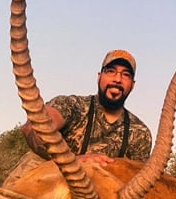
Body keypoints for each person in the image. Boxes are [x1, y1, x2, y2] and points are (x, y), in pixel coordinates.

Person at [21, 49, 152, 166]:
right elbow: (32, 126)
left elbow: (136, 177)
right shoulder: (72, 105)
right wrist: (72, 161)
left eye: (126, 74)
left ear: (132, 85)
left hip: (105, 190)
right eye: (111, 71)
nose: (117, 79)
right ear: (99, 77)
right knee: (32, 162)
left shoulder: (140, 133)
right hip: (57, 180)